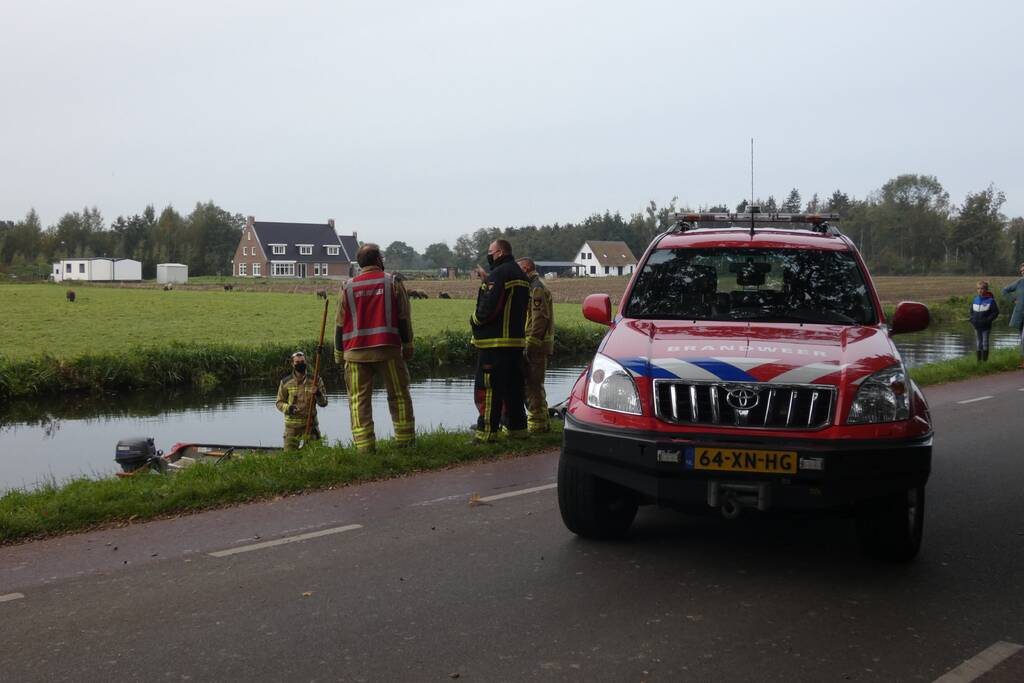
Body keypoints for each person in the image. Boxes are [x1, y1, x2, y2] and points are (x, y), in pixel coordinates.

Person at [335, 243, 415, 452]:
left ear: (360, 263)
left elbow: (339, 325)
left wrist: (338, 353)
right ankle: (405, 443)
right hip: (388, 350)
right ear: (379, 259)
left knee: (358, 401)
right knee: (398, 395)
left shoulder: (347, 286)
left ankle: (365, 448)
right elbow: (404, 318)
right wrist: (408, 346)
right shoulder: (392, 282)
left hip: (354, 354)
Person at [470, 239, 530, 442]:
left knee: (488, 389)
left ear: (500, 252)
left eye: (490, 251)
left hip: (494, 344)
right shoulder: (521, 275)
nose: (489, 255)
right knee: (513, 388)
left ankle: (486, 433)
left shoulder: (499, 275)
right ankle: (517, 429)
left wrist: (475, 321)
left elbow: (489, 308)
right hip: (515, 343)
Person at [517, 257, 555, 433]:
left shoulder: (536, 289)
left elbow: (540, 319)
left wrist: (530, 344)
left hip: (536, 346)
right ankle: (542, 423)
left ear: (526, 268)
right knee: (535, 385)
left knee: (533, 385)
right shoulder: (533, 286)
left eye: (518, 269)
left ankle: (537, 427)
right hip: (537, 345)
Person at [275, 351, 328, 449]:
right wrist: (289, 408)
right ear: (292, 364)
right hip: (291, 428)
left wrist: (318, 393)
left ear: (306, 362)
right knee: (289, 458)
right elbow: (279, 403)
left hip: (311, 426)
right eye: (297, 362)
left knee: (315, 456)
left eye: (302, 361)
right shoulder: (285, 382)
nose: (300, 364)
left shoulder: (316, 380)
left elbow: (324, 403)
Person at [969, 281, 999, 362]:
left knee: (985, 342)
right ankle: (979, 361)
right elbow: (971, 311)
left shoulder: (991, 301)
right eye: (978, 289)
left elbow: (995, 312)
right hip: (976, 326)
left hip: (986, 326)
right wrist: (972, 320)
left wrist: (988, 320)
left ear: (986, 289)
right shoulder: (975, 300)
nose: (980, 290)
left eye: (982, 289)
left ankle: (985, 361)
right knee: (979, 343)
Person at [1002, 262, 1024, 369]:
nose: (1023, 272)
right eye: (1022, 270)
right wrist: (1013, 299)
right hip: (1020, 314)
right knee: (1022, 337)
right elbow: (1004, 291)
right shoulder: (1019, 283)